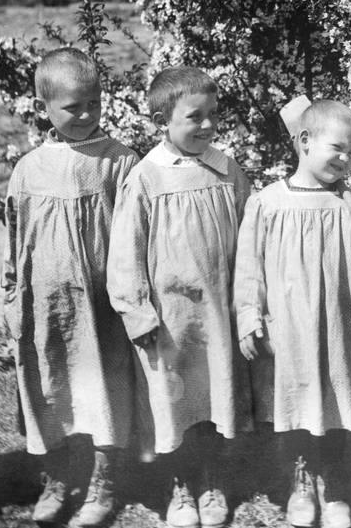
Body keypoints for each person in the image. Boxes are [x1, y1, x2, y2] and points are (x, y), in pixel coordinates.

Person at [234, 99, 351, 528]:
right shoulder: (268, 203)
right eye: (338, 148)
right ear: (305, 141)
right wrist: (249, 315)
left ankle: (336, 485)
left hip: (337, 330)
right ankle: (302, 481)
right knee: (294, 406)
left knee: (334, 407)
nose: (346, 159)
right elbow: (248, 269)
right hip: (288, 330)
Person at [108, 67, 251, 528]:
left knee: (214, 399)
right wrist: (138, 314)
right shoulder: (146, 179)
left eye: (213, 115)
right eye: (195, 118)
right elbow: (125, 255)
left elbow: (250, 236)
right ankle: (180, 485)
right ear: (161, 121)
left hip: (218, 314)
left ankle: (212, 479)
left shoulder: (226, 169)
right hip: (169, 320)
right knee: (173, 402)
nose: (208, 125)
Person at [3, 48, 138, 526]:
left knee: (105, 385)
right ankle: (57, 476)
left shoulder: (119, 162)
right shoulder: (27, 168)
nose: (85, 115)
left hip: (102, 304)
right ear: (43, 110)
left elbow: (136, 234)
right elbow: (15, 239)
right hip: (47, 304)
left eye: (93, 104)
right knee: (51, 386)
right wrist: (12, 292)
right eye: (72, 107)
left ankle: (105, 481)